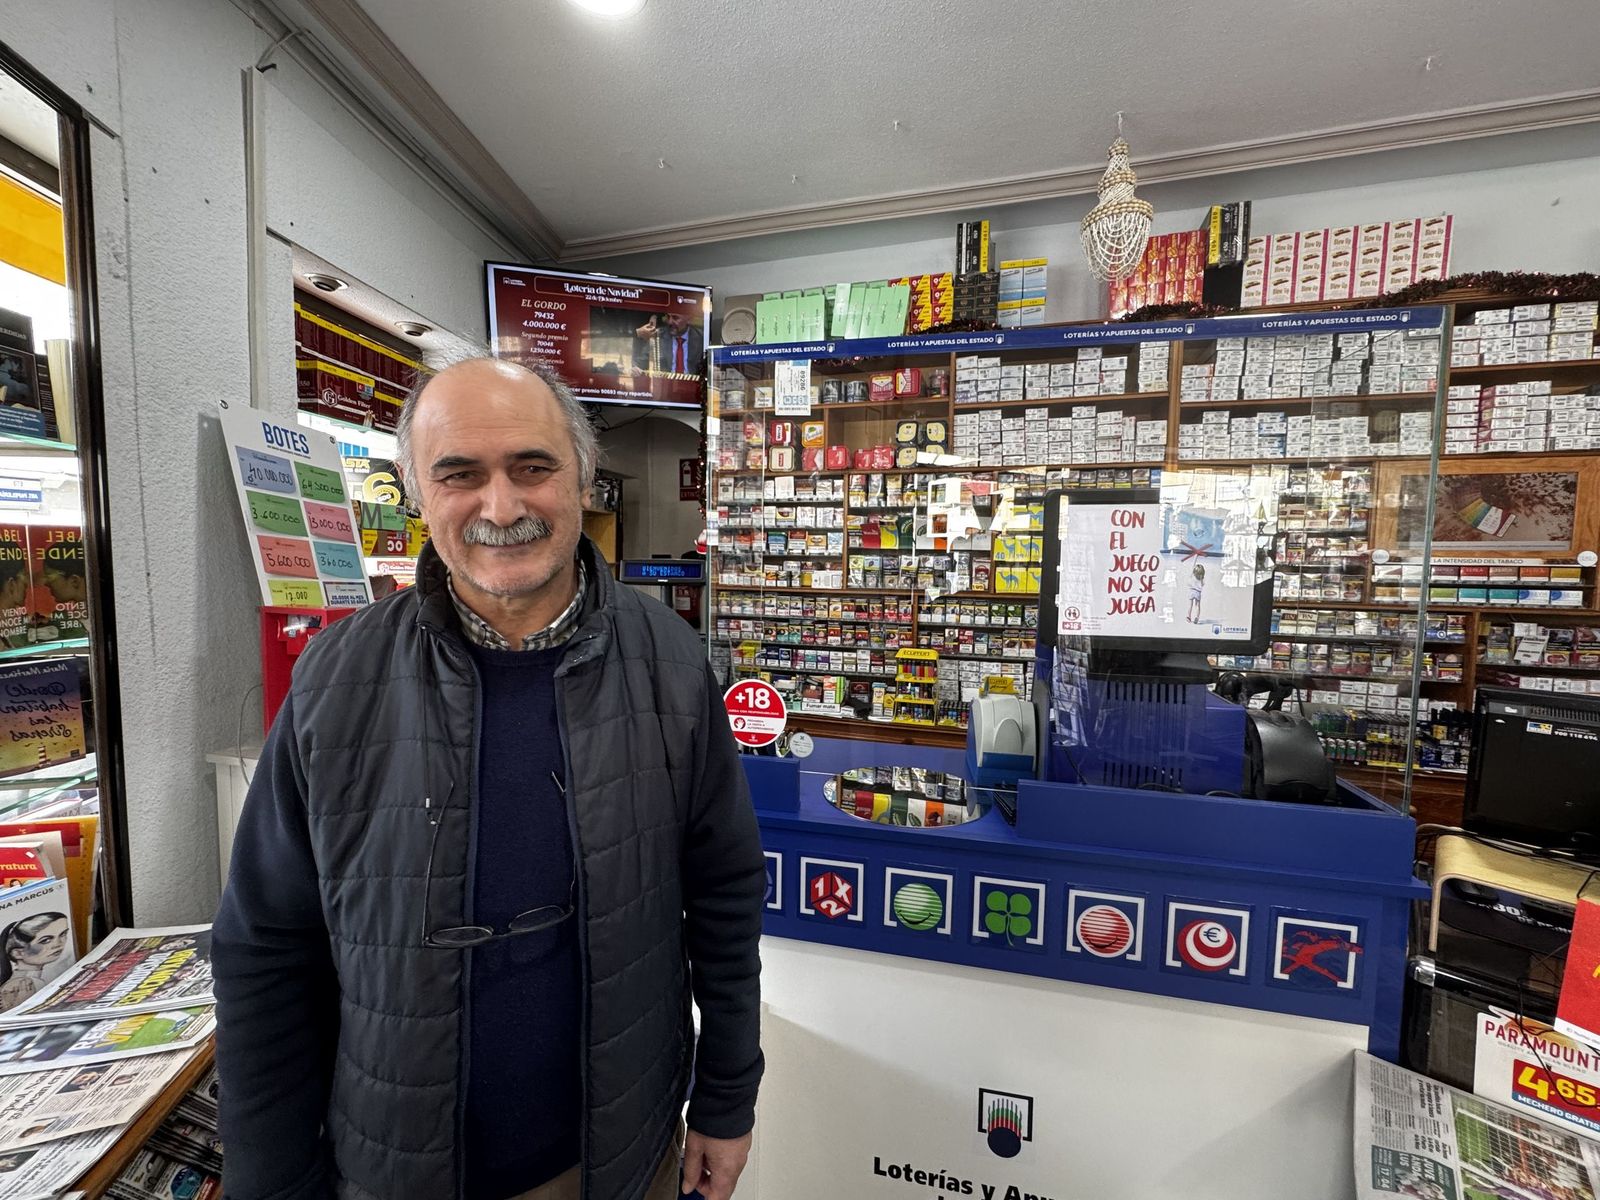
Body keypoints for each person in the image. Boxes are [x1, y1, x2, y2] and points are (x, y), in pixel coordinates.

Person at [213, 356, 765, 1200]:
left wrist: (726, 1098)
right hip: (390, 1165)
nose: (500, 507)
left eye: (532, 468)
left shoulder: (673, 664)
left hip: (617, 1158)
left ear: (581, 480)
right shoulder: (335, 678)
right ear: (416, 494)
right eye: (460, 475)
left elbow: (724, 895)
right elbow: (264, 948)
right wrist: (272, 1180)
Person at [0, 912, 71, 1011]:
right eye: (45, 940)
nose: (58, 944)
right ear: (18, 953)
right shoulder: (22, 984)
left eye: (63, 934)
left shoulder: (32, 979)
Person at [633, 312, 704, 376]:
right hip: (665, 386)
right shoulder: (658, 336)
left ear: (689, 319)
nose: (670, 322)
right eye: (668, 317)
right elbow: (640, 363)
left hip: (692, 386)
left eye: (675, 318)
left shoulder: (702, 338)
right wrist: (636, 369)